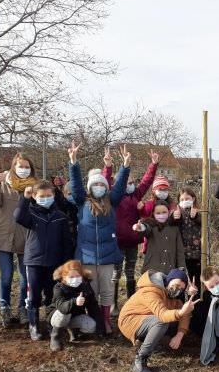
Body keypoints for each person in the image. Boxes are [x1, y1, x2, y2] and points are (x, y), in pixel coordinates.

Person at [68, 141, 131, 335]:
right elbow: (77, 185)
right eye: (94, 184)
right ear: (90, 187)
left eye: (101, 184)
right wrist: (73, 162)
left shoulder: (111, 201)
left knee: (106, 289)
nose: (98, 186)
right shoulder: (82, 202)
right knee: (91, 290)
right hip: (86, 256)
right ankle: (92, 318)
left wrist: (125, 166)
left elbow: (119, 186)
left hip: (107, 255)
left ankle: (105, 319)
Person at [102, 147, 159, 313]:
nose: (130, 185)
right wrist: (108, 166)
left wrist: (154, 164)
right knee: (115, 273)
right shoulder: (114, 196)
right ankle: (113, 305)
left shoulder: (137, 195)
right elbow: (105, 180)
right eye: (126, 183)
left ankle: (129, 302)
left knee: (130, 273)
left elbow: (147, 181)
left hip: (133, 241)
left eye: (132, 183)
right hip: (117, 241)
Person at [14, 180, 73, 340]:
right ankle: (33, 325)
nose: (45, 198)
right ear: (34, 196)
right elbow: (18, 217)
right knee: (33, 296)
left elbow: (66, 242)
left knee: (51, 295)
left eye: (49, 195)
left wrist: (66, 264)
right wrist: (25, 199)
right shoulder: (30, 213)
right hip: (34, 262)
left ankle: (50, 322)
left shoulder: (60, 216)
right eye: (41, 196)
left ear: (53, 195)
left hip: (54, 263)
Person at [118, 268, 199, 372]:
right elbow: (162, 315)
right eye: (176, 285)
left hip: (148, 320)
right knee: (162, 322)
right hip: (131, 320)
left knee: (177, 319)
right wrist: (181, 312)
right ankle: (139, 361)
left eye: (181, 288)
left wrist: (179, 335)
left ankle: (149, 343)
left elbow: (185, 315)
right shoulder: (150, 291)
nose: (178, 289)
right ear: (168, 281)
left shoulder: (173, 298)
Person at [0, 153, 37, 327]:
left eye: (26, 167)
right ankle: (4, 307)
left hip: (26, 238)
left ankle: (23, 308)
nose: (23, 170)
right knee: (6, 276)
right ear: (14, 167)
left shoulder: (34, 188)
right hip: (3, 237)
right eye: (20, 166)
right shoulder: (4, 185)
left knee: (26, 278)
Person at [46, 260, 105, 351]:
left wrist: (100, 327)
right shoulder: (58, 287)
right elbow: (62, 307)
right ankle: (55, 337)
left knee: (91, 325)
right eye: (71, 277)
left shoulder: (85, 286)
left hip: (75, 316)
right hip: (57, 316)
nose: (75, 279)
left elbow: (93, 306)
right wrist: (74, 302)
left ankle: (73, 331)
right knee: (65, 313)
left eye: (78, 276)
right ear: (64, 277)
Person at [133, 200, 186, 274]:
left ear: (168, 212)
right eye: (158, 213)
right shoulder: (152, 226)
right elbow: (146, 229)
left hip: (170, 269)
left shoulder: (175, 228)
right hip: (152, 269)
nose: (161, 215)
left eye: (164, 212)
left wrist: (182, 268)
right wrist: (140, 227)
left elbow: (180, 251)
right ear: (154, 214)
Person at [172, 187, 201, 293]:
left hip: (196, 255)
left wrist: (195, 216)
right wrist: (175, 217)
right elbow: (171, 223)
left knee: (195, 281)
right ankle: (180, 305)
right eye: (182, 199)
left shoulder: (199, 212)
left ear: (193, 198)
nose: (185, 201)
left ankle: (196, 306)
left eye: (187, 198)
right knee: (180, 281)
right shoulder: (176, 213)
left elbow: (202, 222)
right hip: (180, 255)